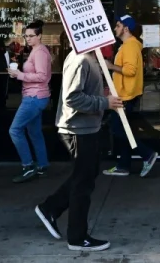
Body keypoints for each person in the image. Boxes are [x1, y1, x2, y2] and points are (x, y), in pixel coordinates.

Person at [34, 49, 123, 252]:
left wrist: (103, 96)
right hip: (77, 130)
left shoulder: (90, 58)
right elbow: (72, 99)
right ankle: (77, 237)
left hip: (87, 128)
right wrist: (104, 102)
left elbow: (84, 93)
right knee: (83, 183)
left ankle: (50, 208)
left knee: (86, 175)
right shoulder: (80, 59)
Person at [103, 15, 159, 178]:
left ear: (126, 28)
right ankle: (123, 165)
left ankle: (147, 154)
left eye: (118, 26)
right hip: (123, 94)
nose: (115, 28)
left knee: (119, 130)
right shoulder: (129, 45)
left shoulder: (130, 46)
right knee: (122, 130)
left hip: (125, 95)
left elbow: (130, 71)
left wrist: (111, 66)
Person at [8, 20, 52, 183]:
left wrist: (19, 75)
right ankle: (42, 165)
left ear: (40, 36)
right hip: (36, 97)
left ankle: (28, 166)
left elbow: (41, 76)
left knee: (15, 130)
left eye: (31, 36)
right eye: (26, 36)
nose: (28, 39)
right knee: (34, 133)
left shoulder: (40, 52)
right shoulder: (38, 51)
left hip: (34, 97)